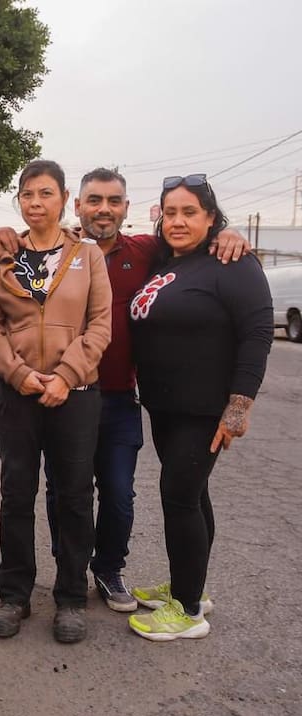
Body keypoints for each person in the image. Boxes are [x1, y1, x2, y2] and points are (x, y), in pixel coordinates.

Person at [0, 169, 250, 614]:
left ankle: (103, 572)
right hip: (42, 392)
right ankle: (44, 578)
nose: (103, 209)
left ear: (126, 208)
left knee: (113, 492)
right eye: (94, 201)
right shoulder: (28, 252)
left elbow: (193, 237)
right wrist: (3, 232)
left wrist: (230, 231)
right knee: (45, 491)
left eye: (113, 201)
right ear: (78, 205)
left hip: (107, 393)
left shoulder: (147, 251)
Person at [126, 174, 273, 640]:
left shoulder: (231, 263)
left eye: (190, 212)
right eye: (170, 212)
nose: (178, 221)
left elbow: (257, 333)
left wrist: (238, 408)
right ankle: (193, 586)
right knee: (194, 496)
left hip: (203, 409)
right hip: (165, 407)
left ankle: (187, 611)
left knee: (179, 497)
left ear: (211, 218)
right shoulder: (168, 262)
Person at [0, 160, 111, 644]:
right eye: (28, 195)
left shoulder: (87, 255)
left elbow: (100, 325)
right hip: (18, 396)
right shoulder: (2, 255)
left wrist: (65, 376)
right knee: (17, 494)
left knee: (75, 496)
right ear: (19, 200)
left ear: (63, 198)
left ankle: (71, 598)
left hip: (74, 396)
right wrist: (17, 374)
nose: (36, 203)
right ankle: (13, 595)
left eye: (46, 194)